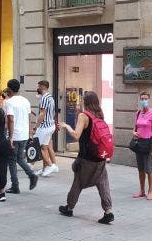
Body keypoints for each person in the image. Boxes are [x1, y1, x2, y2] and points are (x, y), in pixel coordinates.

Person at [58, 91, 114, 224]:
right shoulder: (99, 115)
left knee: (78, 182)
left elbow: (76, 135)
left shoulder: (84, 116)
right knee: (103, 183)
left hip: (87, 158)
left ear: (85, 102)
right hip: (100, 157)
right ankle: (108, 211)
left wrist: (66, 126)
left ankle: (69, 207)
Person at [5, 79, 38, 194]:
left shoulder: (9, 102)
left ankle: (15, 185)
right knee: (19, 158)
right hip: (24, 134)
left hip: (15, 135)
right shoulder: (25, 101)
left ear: (9, 89)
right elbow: (29, 118)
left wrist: (10, 137)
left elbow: (10, 119)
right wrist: (30, 133)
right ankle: (31, 175)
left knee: (12, 161)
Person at [133, 91, 152, 200]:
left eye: (145, 99)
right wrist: (133, 132)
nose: (143, 101)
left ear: (149, 100)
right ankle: (142, 190)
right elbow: (135, 127)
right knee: (140, 169)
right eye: (142, 99)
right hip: (139, 143)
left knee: (149, 169)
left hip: (148, 143)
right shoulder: (138, 113)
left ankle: (150, 191)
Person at [32, 80, 58, 177]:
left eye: (38, 86)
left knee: (40, 147)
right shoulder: (50, 98)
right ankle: (44, 169)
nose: (37, 88)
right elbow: (53, 113)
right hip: (50, 126)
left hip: (44, 127)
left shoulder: (44, 98)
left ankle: (50, 166)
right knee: (44, 147)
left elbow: (42, 114)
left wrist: (36, 126)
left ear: (43, 87)